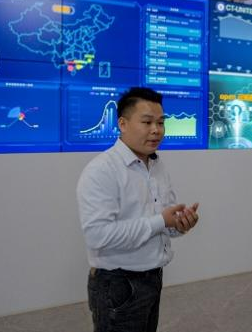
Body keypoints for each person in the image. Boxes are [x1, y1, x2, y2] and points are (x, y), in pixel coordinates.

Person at [77, 87, 200, 332]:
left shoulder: (156, 165)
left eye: (161, 122)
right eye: (147, 122)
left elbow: (164, 221)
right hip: (118, 285)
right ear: (122, 124)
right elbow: (97, 236)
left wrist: (180, 224)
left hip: (153, 278)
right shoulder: (102, 170)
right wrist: (161, 221)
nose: (156, 130)